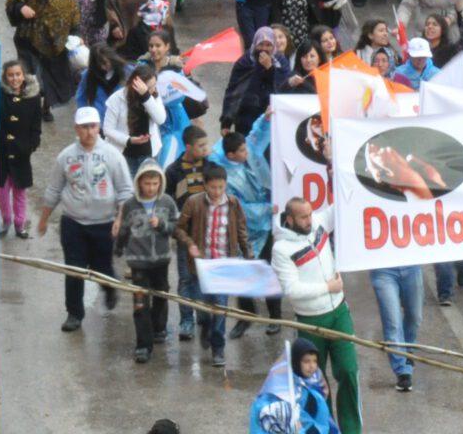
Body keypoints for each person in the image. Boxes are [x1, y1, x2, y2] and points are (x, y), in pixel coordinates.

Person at [36, 105, 131, 331]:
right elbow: (54, 189)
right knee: (74, 269)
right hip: (73, 223)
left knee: (102, 266)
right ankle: (74, 313)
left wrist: (119, 219)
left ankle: (109, 288)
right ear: (76, 129)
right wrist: (43, 218)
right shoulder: (66, 157)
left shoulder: (112, 156)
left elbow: (126, 191)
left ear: (99, 128)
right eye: (84, 127)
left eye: (93, 126)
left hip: (104, 223)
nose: (89, 132)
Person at [271, 198, 362, 434]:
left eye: (310, 214)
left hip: (339, 313)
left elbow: (342, 202)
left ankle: (352, 430)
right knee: (315, 383)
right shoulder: (281, 250)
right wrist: (327, 287)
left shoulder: (319, 224)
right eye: (303, 217)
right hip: (311, 322)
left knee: (349, 372)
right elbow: (292, 290)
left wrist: (337, 166)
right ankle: (326, 429)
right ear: (289, 219)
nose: (309, 220)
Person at [175, 161, 248, 367]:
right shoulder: (193, 202)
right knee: (205, 309)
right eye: (213, 187)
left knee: (221, 308)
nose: (217, 191)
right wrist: (189, 244)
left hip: (223, 267)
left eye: (221, 187)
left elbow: (241, 231)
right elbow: (179, 228)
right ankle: (205, 327)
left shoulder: (233, 204)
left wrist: (248, 255)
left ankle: (218, 348)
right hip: (201, 267)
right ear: (205, 185)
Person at [115, 163, 181, 363]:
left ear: (160, 182)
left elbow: (176, 227)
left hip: (161, 260)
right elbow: (124, 230)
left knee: (161, 296)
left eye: (155, 183)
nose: (151, 187)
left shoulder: (168, 202)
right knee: (140, 303)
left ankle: (158, 328)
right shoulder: (130, 205)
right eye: (147, 183)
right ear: (139, 183)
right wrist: (118, 247)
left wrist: (161, 225)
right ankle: (143, 345)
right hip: (138, 263)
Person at [5, 0, 80, 116]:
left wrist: (75, 33)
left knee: (51, 76)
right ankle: (31, 105)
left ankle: (47, 106)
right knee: (31, 74)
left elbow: (72, 9)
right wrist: (21, 8)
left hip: (55, 40)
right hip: (29, 37)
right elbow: (12, 0)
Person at [250, 337, 342, 434]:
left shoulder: (314, 395)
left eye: (315, 361)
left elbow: (323, 424)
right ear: (296, 362)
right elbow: (261, 421)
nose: (312, 366)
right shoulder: (276, 392)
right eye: (306, 361)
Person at [0, 60, 44, 239]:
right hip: (1, 153)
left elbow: (36, 125)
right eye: (10, 75)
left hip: (22, 153)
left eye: (18, 74)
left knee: (20, 192)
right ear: (5, 77)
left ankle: (19, 224)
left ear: (23, 76)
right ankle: (6, 219)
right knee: (1, 192)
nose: (15, 78)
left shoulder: (33, 97)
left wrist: (31, 144)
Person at [369, 260, 427, 391]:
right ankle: (403, 371)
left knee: (415, 316)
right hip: (382, 270)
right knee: (393, 324)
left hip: (411, 265)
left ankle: (408, 347)